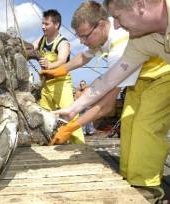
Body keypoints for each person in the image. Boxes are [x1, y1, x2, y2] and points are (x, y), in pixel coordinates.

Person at [44, 0, 170, 192]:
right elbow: (101, 75)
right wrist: (72, 105)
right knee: (128, 125)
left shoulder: (121, 43)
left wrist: (71, 127)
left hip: (163, 75)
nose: (83, 42)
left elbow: (107, 104)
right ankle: (130, 176)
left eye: (85, 36)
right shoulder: (126, 36)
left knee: (145, 125)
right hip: (139, 79)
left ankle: (148, 188)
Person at [33, 9, 84, 144]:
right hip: (46, 85)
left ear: (56, 25)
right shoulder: (41, 40)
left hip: (61, 84)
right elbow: (30, 48)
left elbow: (62, 60)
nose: (43, 26)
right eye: (42, 23)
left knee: (71, 116)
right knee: (44, 116)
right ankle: (48, 143)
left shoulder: (63, 42)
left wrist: (50, 65)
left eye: (46, 24)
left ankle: (80, 145)